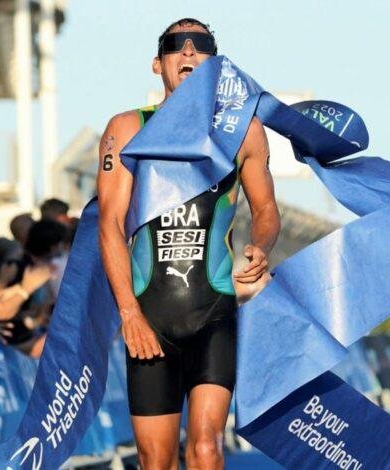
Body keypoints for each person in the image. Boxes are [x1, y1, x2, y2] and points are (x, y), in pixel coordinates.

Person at [98, 18, 280, 469]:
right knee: (155, 459)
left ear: (215, 65)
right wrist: (129, 314)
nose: (188, 54)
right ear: (157, 64)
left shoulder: (242, 132)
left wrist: (260, 244)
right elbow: (109, 225)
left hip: (212, 312)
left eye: (200, 47)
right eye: (176, 47)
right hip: (149, 318)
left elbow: (267, 210)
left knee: (205, 447)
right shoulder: (126, 129)